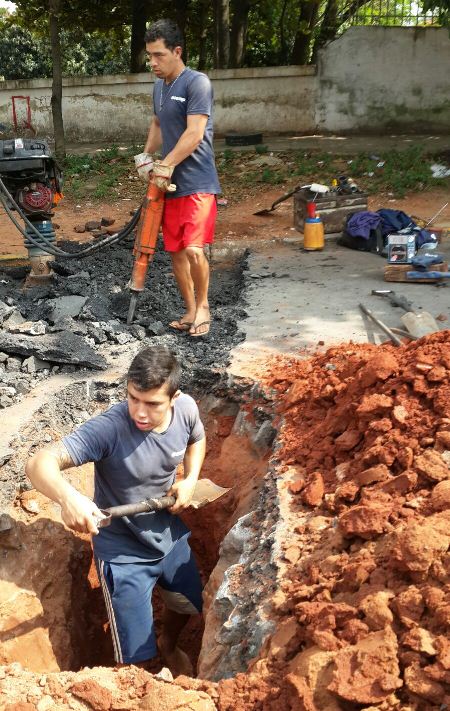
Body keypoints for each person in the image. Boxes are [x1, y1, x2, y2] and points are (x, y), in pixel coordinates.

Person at [26, 346, 205, 677]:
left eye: (152, 404)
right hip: (122, 552)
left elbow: (196, 439)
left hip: (168, 533)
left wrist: (191, 478)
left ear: (174, 398)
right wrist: (68, 498)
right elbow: (39, 463)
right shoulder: (110, 428)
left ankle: (168, 644)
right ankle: (138, 684)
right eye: (133, 398)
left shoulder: (187, 410)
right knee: (133, 654)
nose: (139, 411)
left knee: (189, 603)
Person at [135, 18, 221, 338]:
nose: (152, 63)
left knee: (195, 249)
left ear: (177, 51)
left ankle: (204, 308)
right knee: (175, 252)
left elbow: (195, 133)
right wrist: (146, 156)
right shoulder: (158, 87)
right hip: (170, 186)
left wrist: (165, 164)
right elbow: (158, 124)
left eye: (158, 55)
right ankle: (188, 309)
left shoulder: (197, 83)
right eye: (149, 56)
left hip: (198, 181)